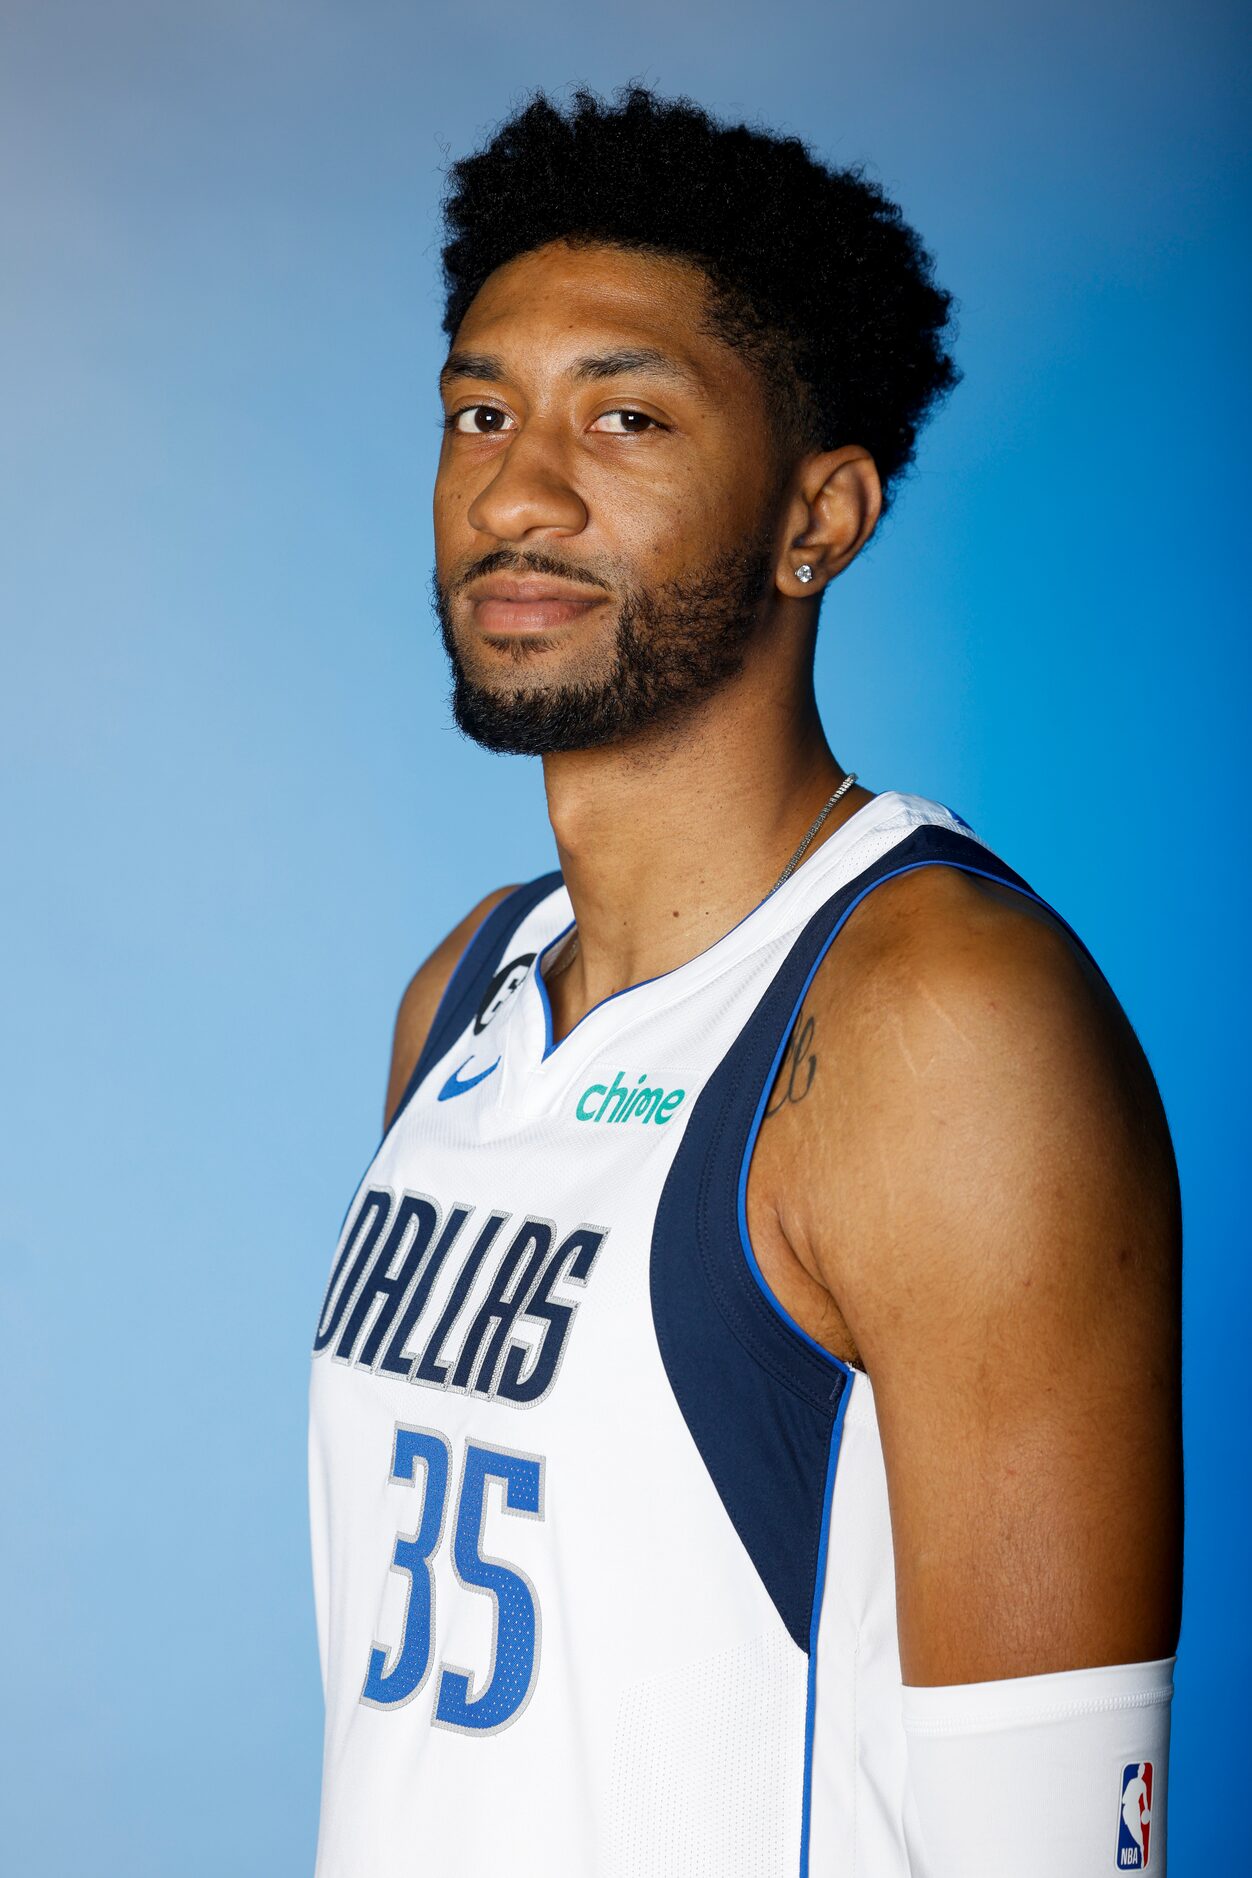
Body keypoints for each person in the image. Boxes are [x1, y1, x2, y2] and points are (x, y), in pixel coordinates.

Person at [308, 86, 1181, 1876]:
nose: (518, 487)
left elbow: (1058, 1836)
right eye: (482, 411)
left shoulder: (937, 1025)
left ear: (821, 516)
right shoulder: (463, 991)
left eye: (625, 416)